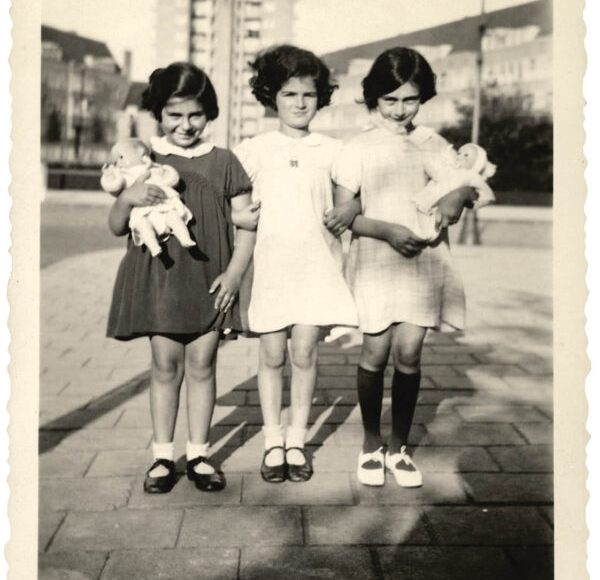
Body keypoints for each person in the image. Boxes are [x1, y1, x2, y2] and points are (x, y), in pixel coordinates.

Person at [106, 63, 255, 494]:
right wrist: (128, 198)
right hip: (161, 282)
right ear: (159, 114)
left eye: (195, 115)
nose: (185, 125)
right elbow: (117, 226)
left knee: (203, 366)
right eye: (175, 115)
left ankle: (201, 454)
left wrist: (234, 274)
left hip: (211, 282)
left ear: (209, 114)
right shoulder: (141, 160)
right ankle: (162, 458)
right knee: (164, 367)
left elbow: (247, 225)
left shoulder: (225, 162)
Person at [331, 47, 477, 488]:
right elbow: (343, 214)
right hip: (377, 257)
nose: (399, 110)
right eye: (390, 100)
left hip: (423, 263)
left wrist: (457, 196)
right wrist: (389, 231)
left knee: (410, 353)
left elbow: (467, 184)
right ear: (373, 98)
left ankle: (399, 447)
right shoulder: (357, 148)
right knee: (375, 351)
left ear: (423, 98)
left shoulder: (433, 144)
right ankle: (370, 444)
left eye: (409, 100)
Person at [234, 45, 358, 483]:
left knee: (304, 353)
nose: (300, 103)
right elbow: (229, 199)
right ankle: (272, 441)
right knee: (270, 353)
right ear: (272, 97)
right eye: (289, 94)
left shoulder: (333, 149)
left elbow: (350, 197)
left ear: (321, 97)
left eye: (308, 94)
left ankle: (297, 441)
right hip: (270, 269)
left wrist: (347, 209)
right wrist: (236, 214)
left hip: (316, 269)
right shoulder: (253, 149)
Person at [100, 137, 195, 257]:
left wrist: (166, 171)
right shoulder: (123, 174)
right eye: (115, 161)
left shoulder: (154, 168)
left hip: (162, 204)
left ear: (142, 156)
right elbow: (113, 186)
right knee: (142, 225)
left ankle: (185, 238)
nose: (117, 163)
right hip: (141, 211)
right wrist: (108, 175)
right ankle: (154, 246)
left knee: (174, 217)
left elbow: (172, 180)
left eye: (121, 157)